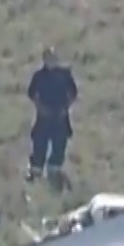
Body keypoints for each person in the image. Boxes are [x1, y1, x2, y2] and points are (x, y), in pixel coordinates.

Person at [25, 47, 79, 188]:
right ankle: (35, 172)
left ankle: (55, 173)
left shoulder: (64, 74)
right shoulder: (39, 76)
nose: (51, 61)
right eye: (48, 58)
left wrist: (66, 108)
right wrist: (40, 108)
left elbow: (73, 93)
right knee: (39, 144)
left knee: (59, 144)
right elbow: (32, 94)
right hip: (44, 115)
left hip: (60, 115)